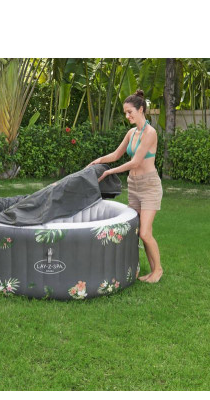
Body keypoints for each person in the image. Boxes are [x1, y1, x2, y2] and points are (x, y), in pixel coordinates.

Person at [88, 90, 163, 283]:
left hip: (149, 186)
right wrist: (98, 160)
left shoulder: (150, 133)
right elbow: (116, 155)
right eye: (125, 113)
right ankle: (150, 270)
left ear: (141, 110)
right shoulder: (131, 133)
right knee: (137, 231)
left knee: (145, 232)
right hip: (134, 186)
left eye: (130, 112)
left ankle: (158, 271)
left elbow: (136, 162)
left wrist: (109, 172)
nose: (127, 116)